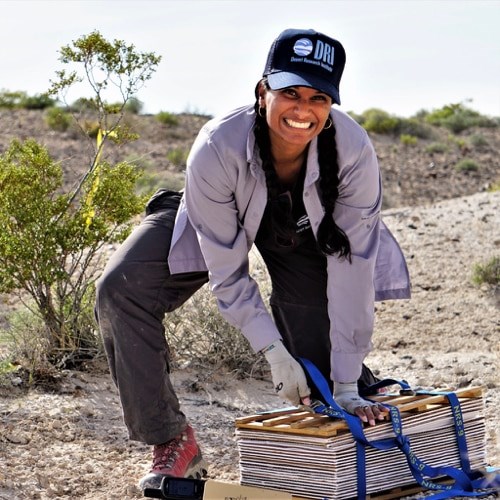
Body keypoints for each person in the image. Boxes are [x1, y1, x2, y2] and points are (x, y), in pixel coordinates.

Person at [95, 28, 410, 491]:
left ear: (331, 105)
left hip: (306, 234)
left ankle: (354, 377)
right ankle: (172, 441)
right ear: (263, 91)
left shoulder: (353, 150)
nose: (302, 110)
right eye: (290, 92)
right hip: (217, 217)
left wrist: (343, 381)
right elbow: (227, 268)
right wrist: (271, 350)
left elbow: (352, 267)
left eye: (318, 98)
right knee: (120, 288)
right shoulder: (217, 145)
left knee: (325, 374)